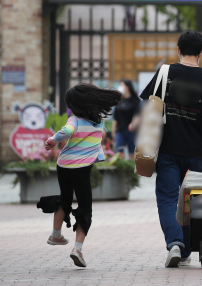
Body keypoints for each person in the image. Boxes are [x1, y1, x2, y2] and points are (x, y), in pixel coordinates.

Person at [139, 30, 202, 268]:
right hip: (194, 151)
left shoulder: (165, 72)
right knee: (190, 200)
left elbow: (150, 105)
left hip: (166, 148)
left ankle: (175, 244)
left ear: (178, 49)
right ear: (201, 52)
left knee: (168, 199)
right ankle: (186, 250)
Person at [42, 84, 122, 268]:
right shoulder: (98, 121)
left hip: (64, 165)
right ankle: (77, 249)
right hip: (82, 169)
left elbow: (68, 131)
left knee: (65, 199)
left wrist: (52, 141)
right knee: (85, 207)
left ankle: (55, 234)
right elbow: (98, 135)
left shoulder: (74, 120)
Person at [112, 79, 140, 159]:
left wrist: (134, 123)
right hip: (120, 130)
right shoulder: (119, 101)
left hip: (133, 131)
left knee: (133, 153)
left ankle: (132, 170)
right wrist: (113, 130)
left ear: (127, 87)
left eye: (122, 85)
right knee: (118, 152)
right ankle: (120, 169)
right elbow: (116, 117)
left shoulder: (136, 101)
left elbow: (140, 116)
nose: (120, 87)